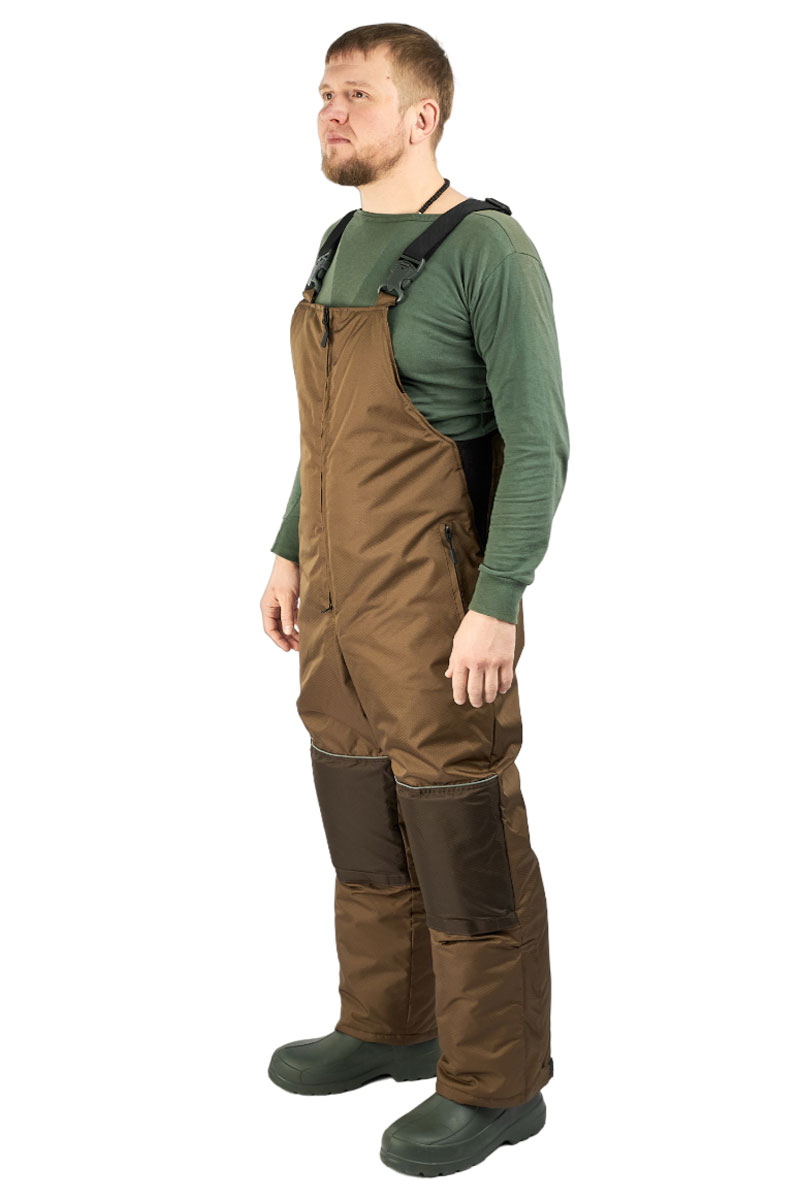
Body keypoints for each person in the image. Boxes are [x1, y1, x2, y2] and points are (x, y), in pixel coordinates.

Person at [259, 23, 570, 1177]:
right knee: (358, 813)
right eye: (323, 94)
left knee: (459, 829)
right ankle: (390, 1024)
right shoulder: (340, 244)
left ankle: (496, 1084)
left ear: (421, 116)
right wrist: (287, 551)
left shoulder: (486, 249)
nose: (330, 113)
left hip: (436, 604)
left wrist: (498, 599)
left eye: (355, 95)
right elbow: (329, 434)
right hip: (337, 601)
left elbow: (537, 444)